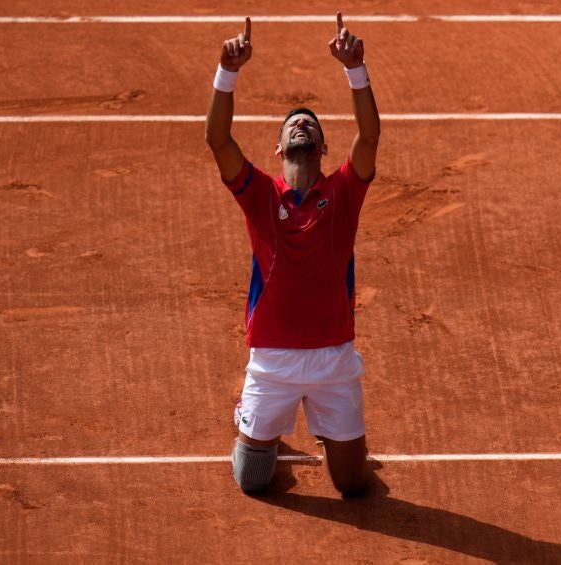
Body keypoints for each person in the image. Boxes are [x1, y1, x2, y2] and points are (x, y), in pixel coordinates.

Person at [205, 13, 380, 497]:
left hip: (333, 359)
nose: (300, 123)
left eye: (309, 123)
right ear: (278, 147)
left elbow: (368, 138)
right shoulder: (259, 193)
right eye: (291, 124)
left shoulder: (344, 192)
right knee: (253, 481)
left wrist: (355, 70)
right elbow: (218, 139)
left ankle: (332, 440)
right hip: (272, 361)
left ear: (323, 147)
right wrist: (227, 72)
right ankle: (254, 425)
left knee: (352, 486)